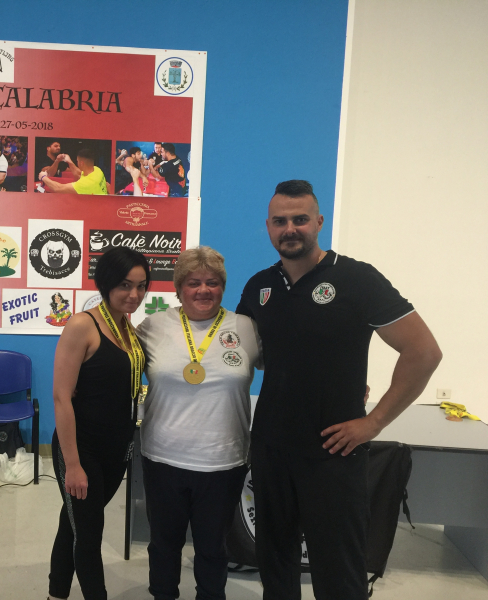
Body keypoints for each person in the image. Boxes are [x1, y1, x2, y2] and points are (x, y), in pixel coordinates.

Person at [235, 180, 442, 600]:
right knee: (274, 563)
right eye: (280, 221)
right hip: (271, 447)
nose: (290, 229)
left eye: (300, 219)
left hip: (333, 452)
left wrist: (374, 422)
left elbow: (423, 351)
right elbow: (246, 354)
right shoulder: (259, 286)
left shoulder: (356, 278)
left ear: (319, 222)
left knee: (339, 571)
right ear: (268, 226)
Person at [136, 246, 260, 600]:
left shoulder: (246, 327)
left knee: (212, 548)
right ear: (179, 289)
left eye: (212, 282)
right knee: (164, 545)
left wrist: (345, 381)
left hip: (223, 463)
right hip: (163, 459)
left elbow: (291, 364)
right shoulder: (153, 326)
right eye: (193, 283)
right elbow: (115, 362)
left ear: (223, 287)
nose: (204, 290)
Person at [48, 247, 149, 600]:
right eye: (125, 285)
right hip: (82, 449)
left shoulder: (127, 329)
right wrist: (73, 464)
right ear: (106, 284)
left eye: (141, 286)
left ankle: (55, 594)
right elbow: (61, 397)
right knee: (89, 537)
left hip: (115, 451)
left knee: (73, 525)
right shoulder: (82, 325)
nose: (134, 294)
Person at [39, 149, 108, 195]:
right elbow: (79, 173)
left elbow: (58, 188)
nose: (77, 163)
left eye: (77, 161)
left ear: (81, 163)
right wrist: (69, 161)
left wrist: (43, 177)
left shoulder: (84, 185)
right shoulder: (97, 170)